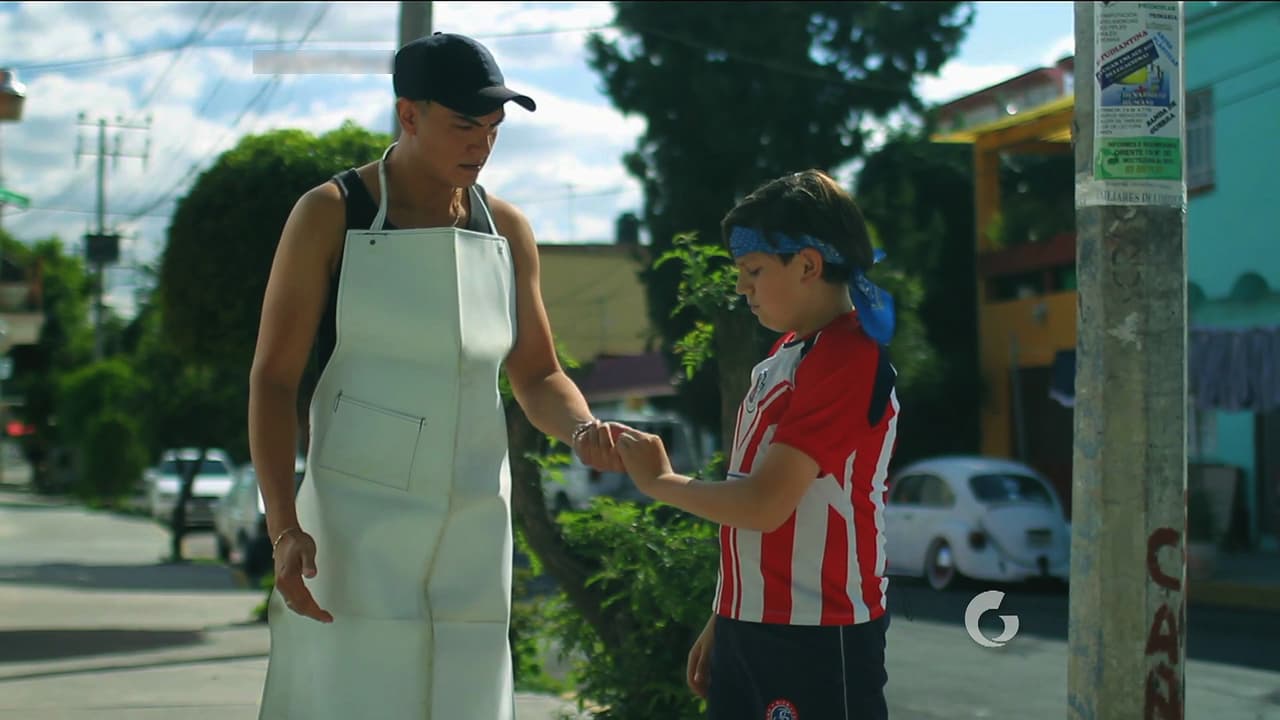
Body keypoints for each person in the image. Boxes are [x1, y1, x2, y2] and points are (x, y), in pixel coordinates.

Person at [247, 32, 621, 720]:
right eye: (463, 126)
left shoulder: (505, 229)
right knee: (349, 696)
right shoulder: (331, 213)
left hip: (475, 522)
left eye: (493, 129)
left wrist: (584, 428)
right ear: (409, 115)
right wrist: (283, 526)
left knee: (468, 698)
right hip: (353, 530)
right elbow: (273, 380)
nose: (481, 144)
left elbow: (538, 373)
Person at [613, 169, 900, 720]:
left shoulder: (848, 356)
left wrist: (661, 483)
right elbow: (759, 510)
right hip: (759, 624)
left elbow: (765, 506)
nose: (741, 286)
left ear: (808, 265)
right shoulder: (788, 355)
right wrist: (727, 612)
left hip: (818, 632)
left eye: (753, 270)